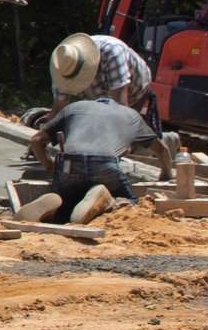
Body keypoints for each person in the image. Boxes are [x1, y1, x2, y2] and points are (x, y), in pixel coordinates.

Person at [29, 34, 176, 223]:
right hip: (105, 163)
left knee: (68, 196)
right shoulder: (64, 65)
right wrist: (166, 175)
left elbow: (36, 140)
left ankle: (60, 208)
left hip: (69, 163)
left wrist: (50, 166)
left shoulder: (76, 107)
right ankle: (104, 200)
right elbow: (162, 151)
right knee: (129, 201)